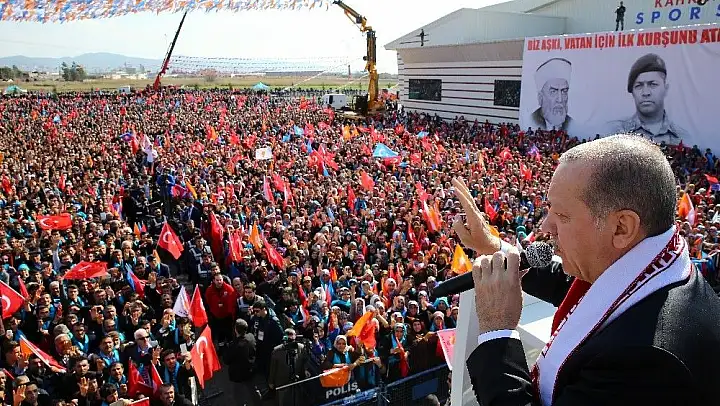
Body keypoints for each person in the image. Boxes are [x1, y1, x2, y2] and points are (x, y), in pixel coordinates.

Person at [454, 134, 720, 405]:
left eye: (562, 216)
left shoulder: (646, 361)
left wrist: (497, 331)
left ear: (622, 227)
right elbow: (575, 287)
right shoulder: (657, 266)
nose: (546, 226)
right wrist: (493, 246)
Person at [606, 53, 688, 145]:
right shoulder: (613, 133)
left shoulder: (683, 138)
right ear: (632, 92)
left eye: (653, 84)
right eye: (638, 86)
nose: (645, 93)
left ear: (666, 89)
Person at [528, 58, 575, 132]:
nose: (560, 100)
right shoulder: (532, 120)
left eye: (564, 91)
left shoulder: (571, 123)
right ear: (540, 98)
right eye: (553, 91)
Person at [223, 319, 258, 406]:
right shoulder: (251, 337)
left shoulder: (233, 345)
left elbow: (226, 360)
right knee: (253, 391)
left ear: (235, 330)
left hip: (238, 374)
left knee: (238, 395)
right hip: (250, 370)